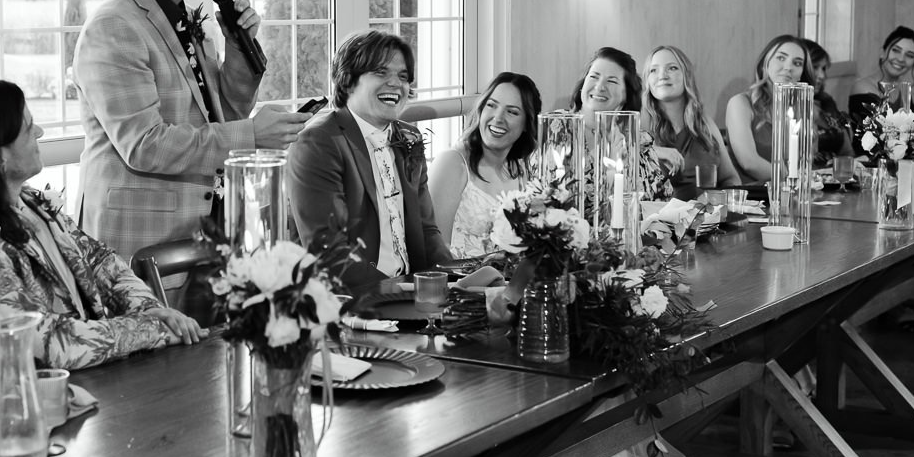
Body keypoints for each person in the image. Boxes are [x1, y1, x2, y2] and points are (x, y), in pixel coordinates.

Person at [72, 0, 308, 265]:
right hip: (140, 244)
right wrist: (252, 136)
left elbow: (224, 113)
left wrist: (236, 46)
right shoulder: (115, 27)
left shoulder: (184, 17)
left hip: (203, 234)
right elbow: (145, 145)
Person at [0, 79, 201, 375]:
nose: (39, 132)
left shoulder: (31, 202)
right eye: (28, 129)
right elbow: (45, 342)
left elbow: (103, 262)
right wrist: (147, 329)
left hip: (83, 387)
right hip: (21, 407)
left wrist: (148, 309)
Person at [287, 32, 454, 288]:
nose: (395, 84)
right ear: (348, 81)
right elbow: (329, 254)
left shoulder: (410, 137)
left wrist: (456, 280)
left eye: (403, 76)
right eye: (380, 73)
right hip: (351, 302)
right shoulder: (318, 143)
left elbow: (427, 231)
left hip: (412, 293)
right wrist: (404, 292)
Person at [429, 72, 541, 256]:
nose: (498, 118)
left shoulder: (522, 172)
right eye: (491, 105)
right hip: (457, 282)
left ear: (527, 124)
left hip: (506, 281)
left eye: (512, 112)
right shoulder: (451, 163)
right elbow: (436, 254)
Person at [568, 47, 673, 199]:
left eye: (611, 81)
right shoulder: (559, 129)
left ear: (626, 95)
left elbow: (662, 203)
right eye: (593, 77)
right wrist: (609, 167)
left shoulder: (639, 142)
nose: (599, 86)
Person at [642, 45, 740, 196]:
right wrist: (656, 152)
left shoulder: (704, 122)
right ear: (647, 80)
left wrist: (720, 206)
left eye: (672, 68)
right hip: (657, 216)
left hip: (706, 215)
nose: (662, 75)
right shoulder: (641, 120)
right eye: (653, 70)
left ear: (687, 76)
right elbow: (619, 158)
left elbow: (731, 179)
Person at [724, 35, 810, 182]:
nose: (788, 67)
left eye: (797, 63)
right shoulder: (740, 103)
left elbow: (804, 163)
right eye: (781, 58)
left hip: (789, 195)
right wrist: (789, 181)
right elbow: (749, 163)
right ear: (766, 63)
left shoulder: (799, 109)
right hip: (750, 197)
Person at [802, 39, 855, 167]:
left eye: (824, 68)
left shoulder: (827, 102)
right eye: (815, 67)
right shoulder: (791, 105)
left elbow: (847, 151)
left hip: (838, 176)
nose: (821, 75)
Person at [852, 25, 914, 112]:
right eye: (896, 50)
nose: (901, 59)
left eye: (910, 55)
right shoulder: (863, 87)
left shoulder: (903, 89)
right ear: (882, 52)